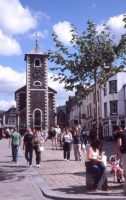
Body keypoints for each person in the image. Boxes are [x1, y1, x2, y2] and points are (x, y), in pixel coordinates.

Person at [115, 126, 126, 194]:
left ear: (117, 130)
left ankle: (125, 190)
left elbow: (119, 143)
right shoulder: (125, 132)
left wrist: (115, 151)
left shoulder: (119, 133)